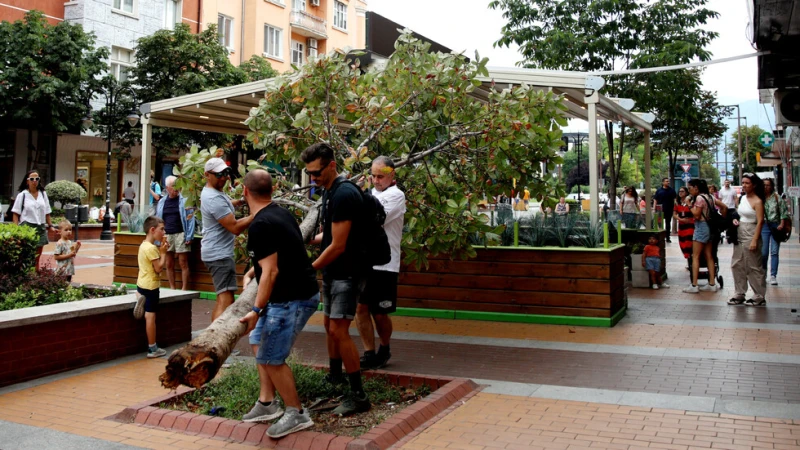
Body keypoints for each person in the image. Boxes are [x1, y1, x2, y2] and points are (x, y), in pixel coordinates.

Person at [238, 169, 320, 438]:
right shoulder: (281, 212)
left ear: (245, 192)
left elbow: (271, 271)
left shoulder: (260, 224)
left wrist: (255, 310)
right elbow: (275, 260)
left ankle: (296, 413)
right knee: (258, 341)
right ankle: (266, 403)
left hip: (291, 298)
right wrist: (254, 271)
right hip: (292, 293)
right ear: (272, 191)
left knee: (272, 358)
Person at [302, 142, 370, 416]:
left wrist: (308, 268)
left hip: (347, 272)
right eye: (309, 173)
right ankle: (334, 377)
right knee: (329, 326)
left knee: (339, 331)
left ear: (332, 165)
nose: (313, 178)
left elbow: (339, 245)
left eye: (317, 172)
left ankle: (359, 395)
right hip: (334, 271)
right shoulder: (329, 192)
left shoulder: (343, 194)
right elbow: (330, 237)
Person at [357, 156, 406, 370]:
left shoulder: (397, 195)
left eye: (381, 176)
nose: (376, 181)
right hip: (364, 262)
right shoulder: (369, 194)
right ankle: (369, 353)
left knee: (380, 312)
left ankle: (384, 347)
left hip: (386, 263)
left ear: (392, 175)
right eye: (373, 176)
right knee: (360, 308)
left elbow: (374, 218)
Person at [201, 157, 253, 321]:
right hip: (219, 255)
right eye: (219, 174)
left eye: (226, 173)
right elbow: (235, 227)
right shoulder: (214, 198)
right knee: (226, 299)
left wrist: (239, 202)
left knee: (224, 297)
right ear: (207, 175)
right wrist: (257, 213)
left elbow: (223, 205)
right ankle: (215, 341)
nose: (223, 177)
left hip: (216, 253)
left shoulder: (213, 193)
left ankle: (213, 343)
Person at [727, 173, 767, 306]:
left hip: (751, 231)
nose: (744, 185)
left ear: (754, 185)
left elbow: (760, 221)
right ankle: (739, 292)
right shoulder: (742, 198)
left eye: (747, 183)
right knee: (737, 263)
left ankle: (759, 295)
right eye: (743, 183)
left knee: (753, 265)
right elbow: (738, 213)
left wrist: (755, 240)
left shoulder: (758, 201)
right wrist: (735, 219)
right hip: (739, 232)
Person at [683, 179, 727, 294]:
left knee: (696, 256)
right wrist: (722, 216)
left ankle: (694, 285)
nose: (689, 191)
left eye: (690, 188)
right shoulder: (710, 197)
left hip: (701, 227)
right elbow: (724, 206)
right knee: (709, 256)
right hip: (711, 227)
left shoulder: (699, 198)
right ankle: (712, 283)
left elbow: (697, 215)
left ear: (696, 188)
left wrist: (689, 205)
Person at [134, 216, 169, 358]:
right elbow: (159, 268)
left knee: (146, 308)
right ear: (152, 230)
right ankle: (152, 348)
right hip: (152, 286)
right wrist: (163, 254)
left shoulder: (143, 246)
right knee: (150, 316)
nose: (164, 232)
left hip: (141, 283)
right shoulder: (152, 249)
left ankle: (138, 298)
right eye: (161, 229)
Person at [156, 176, 196, 290]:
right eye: (173, 186)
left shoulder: (184, 200)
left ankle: (184, 289)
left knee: (183, 262)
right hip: (167, 235)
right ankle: (172, 288)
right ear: (167, 188)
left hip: (181, 233)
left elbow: (190, 218)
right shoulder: (162, 202)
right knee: (169, 263)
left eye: (177, 185)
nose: (176, 188)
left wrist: (189, 235)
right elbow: (158, 219)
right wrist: (159, 237)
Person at [11, 170, 52, 269]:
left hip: (40, 226)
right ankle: (27, 273)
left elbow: (47, 211)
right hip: (27, 225)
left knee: (38, 255)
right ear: (27, 181)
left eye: (37, 179)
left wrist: (50, 225)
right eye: (32, 179)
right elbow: (15, 214)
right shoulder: (23, 195)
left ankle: (35, 274)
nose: (35, 181)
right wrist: (16, 230)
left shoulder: (43, 194)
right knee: (27, 254)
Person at [761, 178, 790, 286]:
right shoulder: (760, 198)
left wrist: (782, 224)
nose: (766, 187)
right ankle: (763, 273)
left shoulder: (777, 198)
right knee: (763, 252)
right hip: (764, 226)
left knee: (774, 251)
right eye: (764, 185)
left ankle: (773, 275)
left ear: (772, 186)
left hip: (776, 226)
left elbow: (783, 212)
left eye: (768, 185)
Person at [674, 187, 695, 269]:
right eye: (679, 191)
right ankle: (688, 260)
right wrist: (680, 219)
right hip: (682, 225)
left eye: (682, 191)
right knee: (682, 243)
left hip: (690, 225)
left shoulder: (691, 202)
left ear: (686, 192)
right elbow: (675, 214)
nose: (680, 193)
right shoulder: (677, 202)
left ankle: (691, 261)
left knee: (689, 242)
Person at [653, 178, 677, 242]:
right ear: (663, 182)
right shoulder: (659, 190)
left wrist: (675, 208)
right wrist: (654, 208)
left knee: (668, 223)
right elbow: (655, 199)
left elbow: (675, 200)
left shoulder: (672, 190)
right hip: (660, 209)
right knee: (659, 224)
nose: (668, 182)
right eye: (666, 181)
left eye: (668, 181)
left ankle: (667, 237)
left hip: (669, 209)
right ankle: (660, 237)